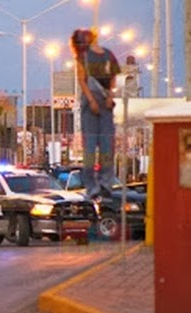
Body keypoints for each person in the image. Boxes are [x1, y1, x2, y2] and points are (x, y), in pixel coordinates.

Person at [70, 28, 121, 200]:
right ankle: (92, 187)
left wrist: (110, 96)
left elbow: (114, 76)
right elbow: (82, 81)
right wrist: (91, 100)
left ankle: (106, 183)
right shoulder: (81, 58)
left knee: (107, 145)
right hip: (90, 103)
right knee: (90, 148)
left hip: (106, 102)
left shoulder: (108, 55)